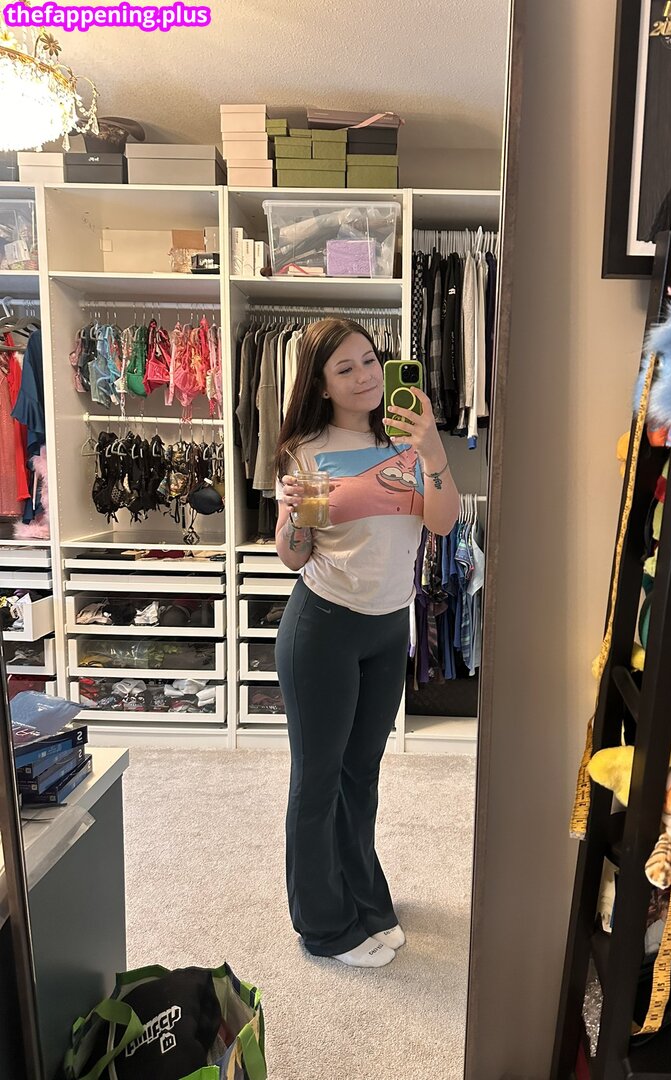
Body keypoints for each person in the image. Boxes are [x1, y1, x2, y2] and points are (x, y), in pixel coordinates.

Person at [273, 318, 460, 968]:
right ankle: (323, 927)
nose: (365, 376)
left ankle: (364, 899)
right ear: (322, 385)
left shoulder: (407, 439)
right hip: (323, 626)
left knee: (363, 774)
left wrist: (432, 449)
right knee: (318, 780)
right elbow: (294, 557)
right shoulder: (306, 448)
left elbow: (443, 522)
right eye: (345, 368)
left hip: (387, 628)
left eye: (370, 361)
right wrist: (292, 516)